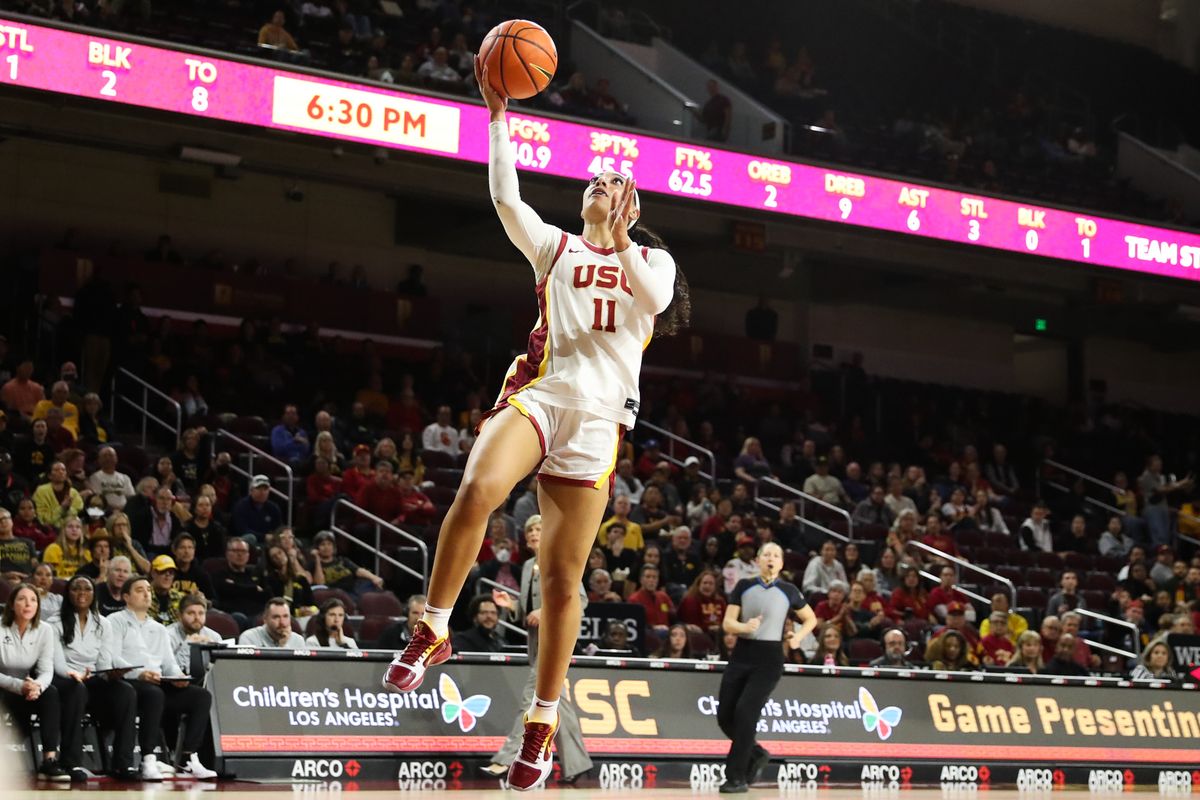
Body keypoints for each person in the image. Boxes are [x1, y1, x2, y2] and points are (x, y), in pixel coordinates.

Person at [382, 57, 688, 792]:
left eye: (612, 182)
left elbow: (651, 296)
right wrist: (497, 116)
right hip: (545, 395)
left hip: (599, 424)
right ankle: (435, 624)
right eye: (594, 180)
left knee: (561, 582)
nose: (598, 185)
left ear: (632, 203)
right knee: (479, 487)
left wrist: (621, 235)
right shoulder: (555, 247)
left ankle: (544, 719)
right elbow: (504, 197)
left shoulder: (654, 259)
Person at [483, 515, 593, 784]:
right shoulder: (529, 566)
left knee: (532, 697)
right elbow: (526, 612)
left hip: (556, 641)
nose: (533, 533)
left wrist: (546, 611)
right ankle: (578, 765)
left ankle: (507, 758)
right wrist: (510, 606)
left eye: (539, 529)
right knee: (558, 705)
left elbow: (579, 598)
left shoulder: (561, 558)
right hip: (536, 643)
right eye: (530, 529)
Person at [717, 542, 817, 793]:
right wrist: (744, 627)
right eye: (767, 555)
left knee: (745, 712)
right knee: (725, 716)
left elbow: (811, 618)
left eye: (776, 555)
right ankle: (757, 752)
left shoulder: (789, 590)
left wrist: (797, 638)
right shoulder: (744, 586)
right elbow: (728, 623)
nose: (771, 559)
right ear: (758, 560)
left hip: (769, 658)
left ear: (781, 563)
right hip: (742, 653)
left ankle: (736, 777)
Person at [108, 576, 217, 779]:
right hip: (129, 682)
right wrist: (138, 673)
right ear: (126, 597)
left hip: (158, 681)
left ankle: (188, 758)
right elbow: (112, 658)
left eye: (148, 589)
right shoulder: (115, 621)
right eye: (140, 590)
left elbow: (169, 664)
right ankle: (148, 759)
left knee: (201, 696)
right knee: (154, 694)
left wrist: (178, 676)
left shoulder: (158, 628)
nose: (146, 593)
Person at [53, 575, 138, 779]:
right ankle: (71, 763)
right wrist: (75, 675)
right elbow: (57, 664)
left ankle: (123, 763)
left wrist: (111, 674)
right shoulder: (54, 623)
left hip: (93, 679)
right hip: (65, 680)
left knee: (126, 691)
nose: (82, 593)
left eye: (87, 589)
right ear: (67, 593)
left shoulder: (103, 624)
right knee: (77, 689)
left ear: (94, 594)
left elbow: (103, 663)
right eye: (76, 588)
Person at [0, 583, 75, 780]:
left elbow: (46, 670)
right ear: (12, 604)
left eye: (33, 600)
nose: (28, 604)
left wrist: (37, 686)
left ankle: (49, 761)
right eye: (22, 599)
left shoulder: (45, 630)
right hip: (4, 687)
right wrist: (19, 686)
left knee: (51, 693)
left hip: (28, 689)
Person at [211, 537, 268, 628]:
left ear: (248, 555)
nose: (240, 554)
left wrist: (236, 587)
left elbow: (267, 595)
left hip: (258, 614)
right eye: (235, 551)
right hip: (234, 615)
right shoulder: (220, 575)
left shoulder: (256, 573)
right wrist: (254, 589)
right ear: (227, 554)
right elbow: (226, 592)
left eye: (243, 551)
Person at [166, 594, 223, 675]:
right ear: (179, 615)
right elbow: (171, 670)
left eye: (201, 613)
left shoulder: (214, 637)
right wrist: (187, 645)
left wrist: (213, 649)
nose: (197, 617)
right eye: (191, 613)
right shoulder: (168, 635)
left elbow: (222, 670)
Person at [262, 543, 317, 616]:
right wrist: (297, 612)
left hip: (306, 615)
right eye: (274, 557)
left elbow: (313, 603)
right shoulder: (270, 581)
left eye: (280, 552)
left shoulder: (301, 579)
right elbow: (275, 607)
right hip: (286, 616)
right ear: (271, 561)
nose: (278, 557)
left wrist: (310, 610)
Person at [230, 475, 283, 543]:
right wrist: (264, 537)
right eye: (259, 488)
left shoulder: (273, 508)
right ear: (251, 490)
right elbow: (242, 530)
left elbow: (278, 529)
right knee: (250, 538)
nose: (262, 492)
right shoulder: (241, 506)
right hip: (244, 542)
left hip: (268, 543)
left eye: (265, 489)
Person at [677, 569, 727, 640]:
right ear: (698, 585)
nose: (707, 586)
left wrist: (720, 628)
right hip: (697, 635)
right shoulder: (690, 601)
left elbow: (726, 620)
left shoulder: (720, 601)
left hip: (719, 635)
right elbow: (693, 624)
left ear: (715, 587)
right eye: (705, 583)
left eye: (711, 583)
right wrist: (708, 628)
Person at [33, 461, 83, 531]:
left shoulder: (73, 493)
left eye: (63, 470)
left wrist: (68, 509)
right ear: (49, 476)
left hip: (70, 530)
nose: (61, 472)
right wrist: (62, 508)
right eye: (56, 470)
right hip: (48, 530)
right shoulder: (41, 491)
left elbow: (76, 513)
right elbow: (43, 518)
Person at [238, 597, 305, 648]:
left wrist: (284, 645)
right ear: (265, 619)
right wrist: (282, 647)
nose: (282, 622)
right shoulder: (249, 638)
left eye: (285, 616)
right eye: (276, 617)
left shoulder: (298, 641)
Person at [87, 447, 135, 512]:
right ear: (99, 460)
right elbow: (98, 498)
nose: (108, 458)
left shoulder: (125, 477)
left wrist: (123, 509)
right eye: (104, 456)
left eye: (111, 455)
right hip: (105, 511)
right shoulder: (94, 477)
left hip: (125, 511)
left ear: (116, 458)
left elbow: (131, 497)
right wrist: (113, 509)